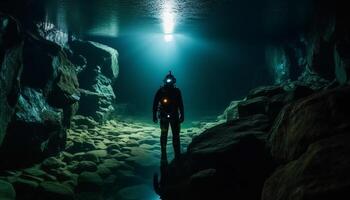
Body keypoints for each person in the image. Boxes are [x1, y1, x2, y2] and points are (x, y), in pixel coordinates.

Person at [153, 71, 184, 162]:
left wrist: (182, 115)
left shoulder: (177, 91)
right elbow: (155, 103)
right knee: (164, 134)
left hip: (174, 116)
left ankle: (177, 154)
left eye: (170, 80)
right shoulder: (160, 91)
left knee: (176, 135)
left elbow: (180, 104)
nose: (169, 81)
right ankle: (163, 152)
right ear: (165, 81)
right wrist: (154, 115)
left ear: (174, 81)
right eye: (167, 79)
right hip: (164, 116)